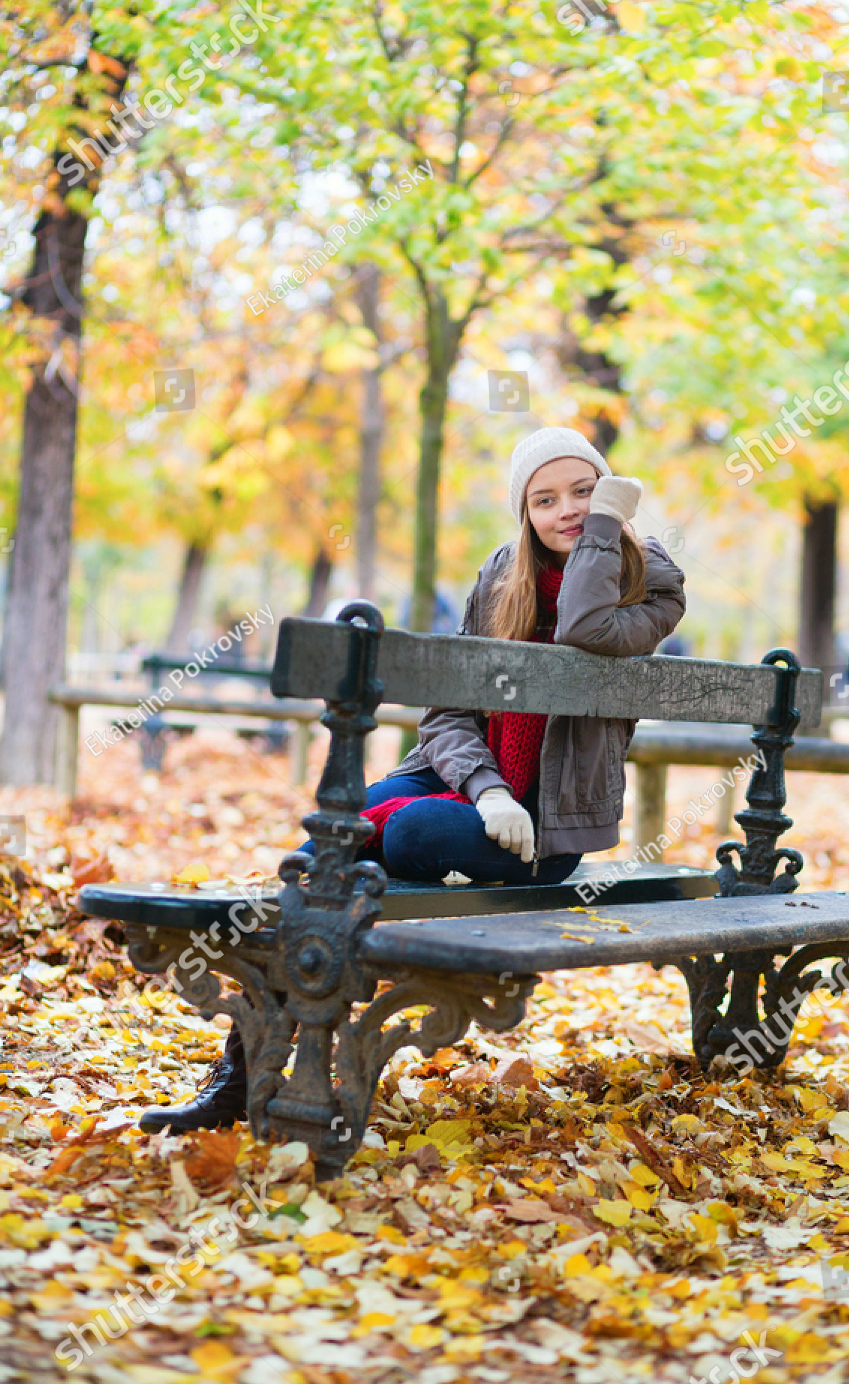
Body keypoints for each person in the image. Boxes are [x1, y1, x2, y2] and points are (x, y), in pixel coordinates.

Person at [140, 426, 685, 1132]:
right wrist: (487, 790)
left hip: (546, 830)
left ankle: (281, 1061)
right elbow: (448, 712)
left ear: (610, 497)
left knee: (412, 828)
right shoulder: (499, 576)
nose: (567, 510)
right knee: (323, 855)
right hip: (469, 790)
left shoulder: (652, 583)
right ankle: (242, 1072)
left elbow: (584, 626)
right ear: (523, 512)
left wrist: (606, 526)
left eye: (584, 491)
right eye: (544, 499)